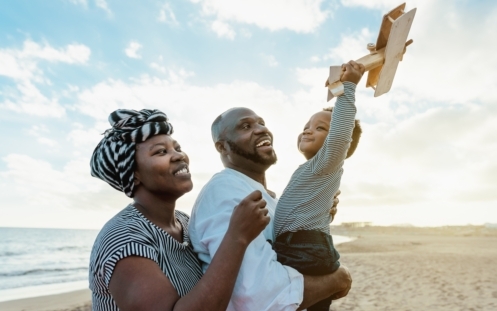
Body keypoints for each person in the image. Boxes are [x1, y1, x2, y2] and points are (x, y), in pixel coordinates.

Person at [188, 80, 355, 310]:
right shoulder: (225, 191)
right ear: (222, 147)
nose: (261, 129)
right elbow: (258, 296)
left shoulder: (268, 197)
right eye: (245, 127)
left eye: (261, 123)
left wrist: (316, 215)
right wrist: (337, 279)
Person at [88, 108, 270, 311]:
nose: (179, 156)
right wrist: (237, 237)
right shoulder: (124, 238)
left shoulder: (184, 222)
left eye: (177, 148)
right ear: (134, 173)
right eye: (161, 152)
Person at [272, 60, 365, 311]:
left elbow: (341, 133)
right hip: (300, 245)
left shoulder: (326, 161)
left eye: (320, 127)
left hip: (305, 247)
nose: (307, 131)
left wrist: (348, 88)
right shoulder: (312, 170)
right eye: (306, 127)